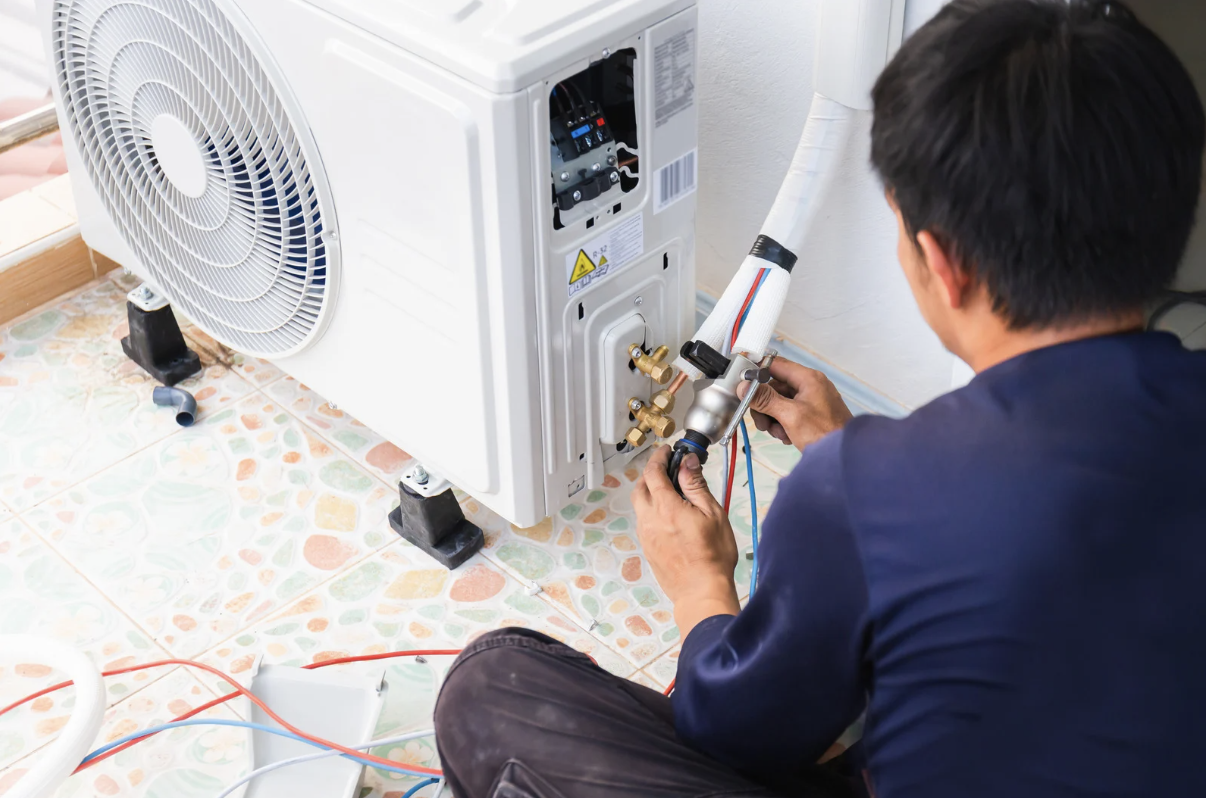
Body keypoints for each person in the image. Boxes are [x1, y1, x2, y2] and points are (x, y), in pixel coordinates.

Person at [433, 1, 1206, 796]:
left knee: (494, 686)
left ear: (940, 264)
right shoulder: (875, 484)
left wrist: (699, 582)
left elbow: (740, 735)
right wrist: (865, 461)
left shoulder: (860, 493)